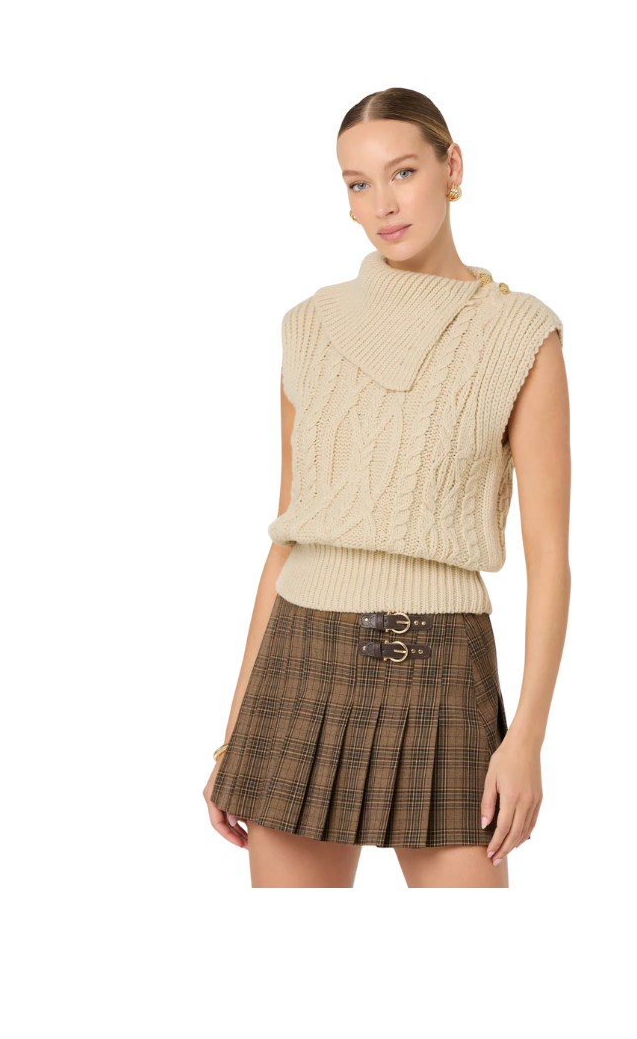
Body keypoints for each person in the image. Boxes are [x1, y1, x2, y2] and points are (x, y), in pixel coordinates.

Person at [203, 87, 571, 888]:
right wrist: (234, 732)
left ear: (452, 167)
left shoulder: (521, 334)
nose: (383, 204)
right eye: (358, 183)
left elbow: (551, 558)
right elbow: (289, 535)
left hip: (443, 668)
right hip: (298, 664)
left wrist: (528, 738)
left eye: (403, 172)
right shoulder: (309, 326)